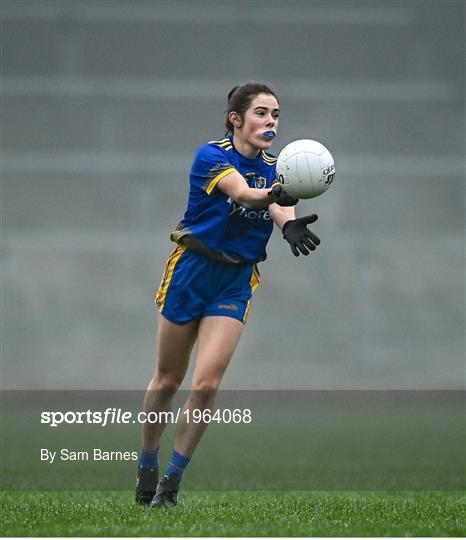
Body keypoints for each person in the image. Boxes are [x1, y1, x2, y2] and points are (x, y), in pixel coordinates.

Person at [135, 82, 321, 507]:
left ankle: (170, 484)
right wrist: (276, 195)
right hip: (191, 271)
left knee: (206, 385)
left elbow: (277, 202)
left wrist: (288, 224)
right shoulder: (213, 156)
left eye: (275, 114)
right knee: (167, 381)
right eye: (261, 113)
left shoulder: (278, 166)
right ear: (235, 119)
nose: (270, 121)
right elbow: (246, 193)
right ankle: (146, 459)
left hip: (235, 280)